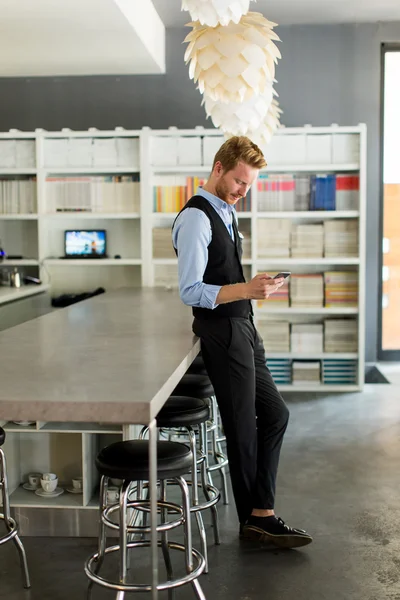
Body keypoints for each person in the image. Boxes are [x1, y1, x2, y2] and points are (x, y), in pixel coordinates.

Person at [172, 136, 313, 549]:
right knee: (241, 428)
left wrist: (252, 290)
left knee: (275, 415)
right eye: (238, 181)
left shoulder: (225, 212)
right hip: (222, 331)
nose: (242, 191)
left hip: (244, 327)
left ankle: (259, 515)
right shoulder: (197, 217)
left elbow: (225, 275)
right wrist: (247, 290)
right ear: (218, 168)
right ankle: (259, 519)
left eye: (249, 185)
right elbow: (191, 289)